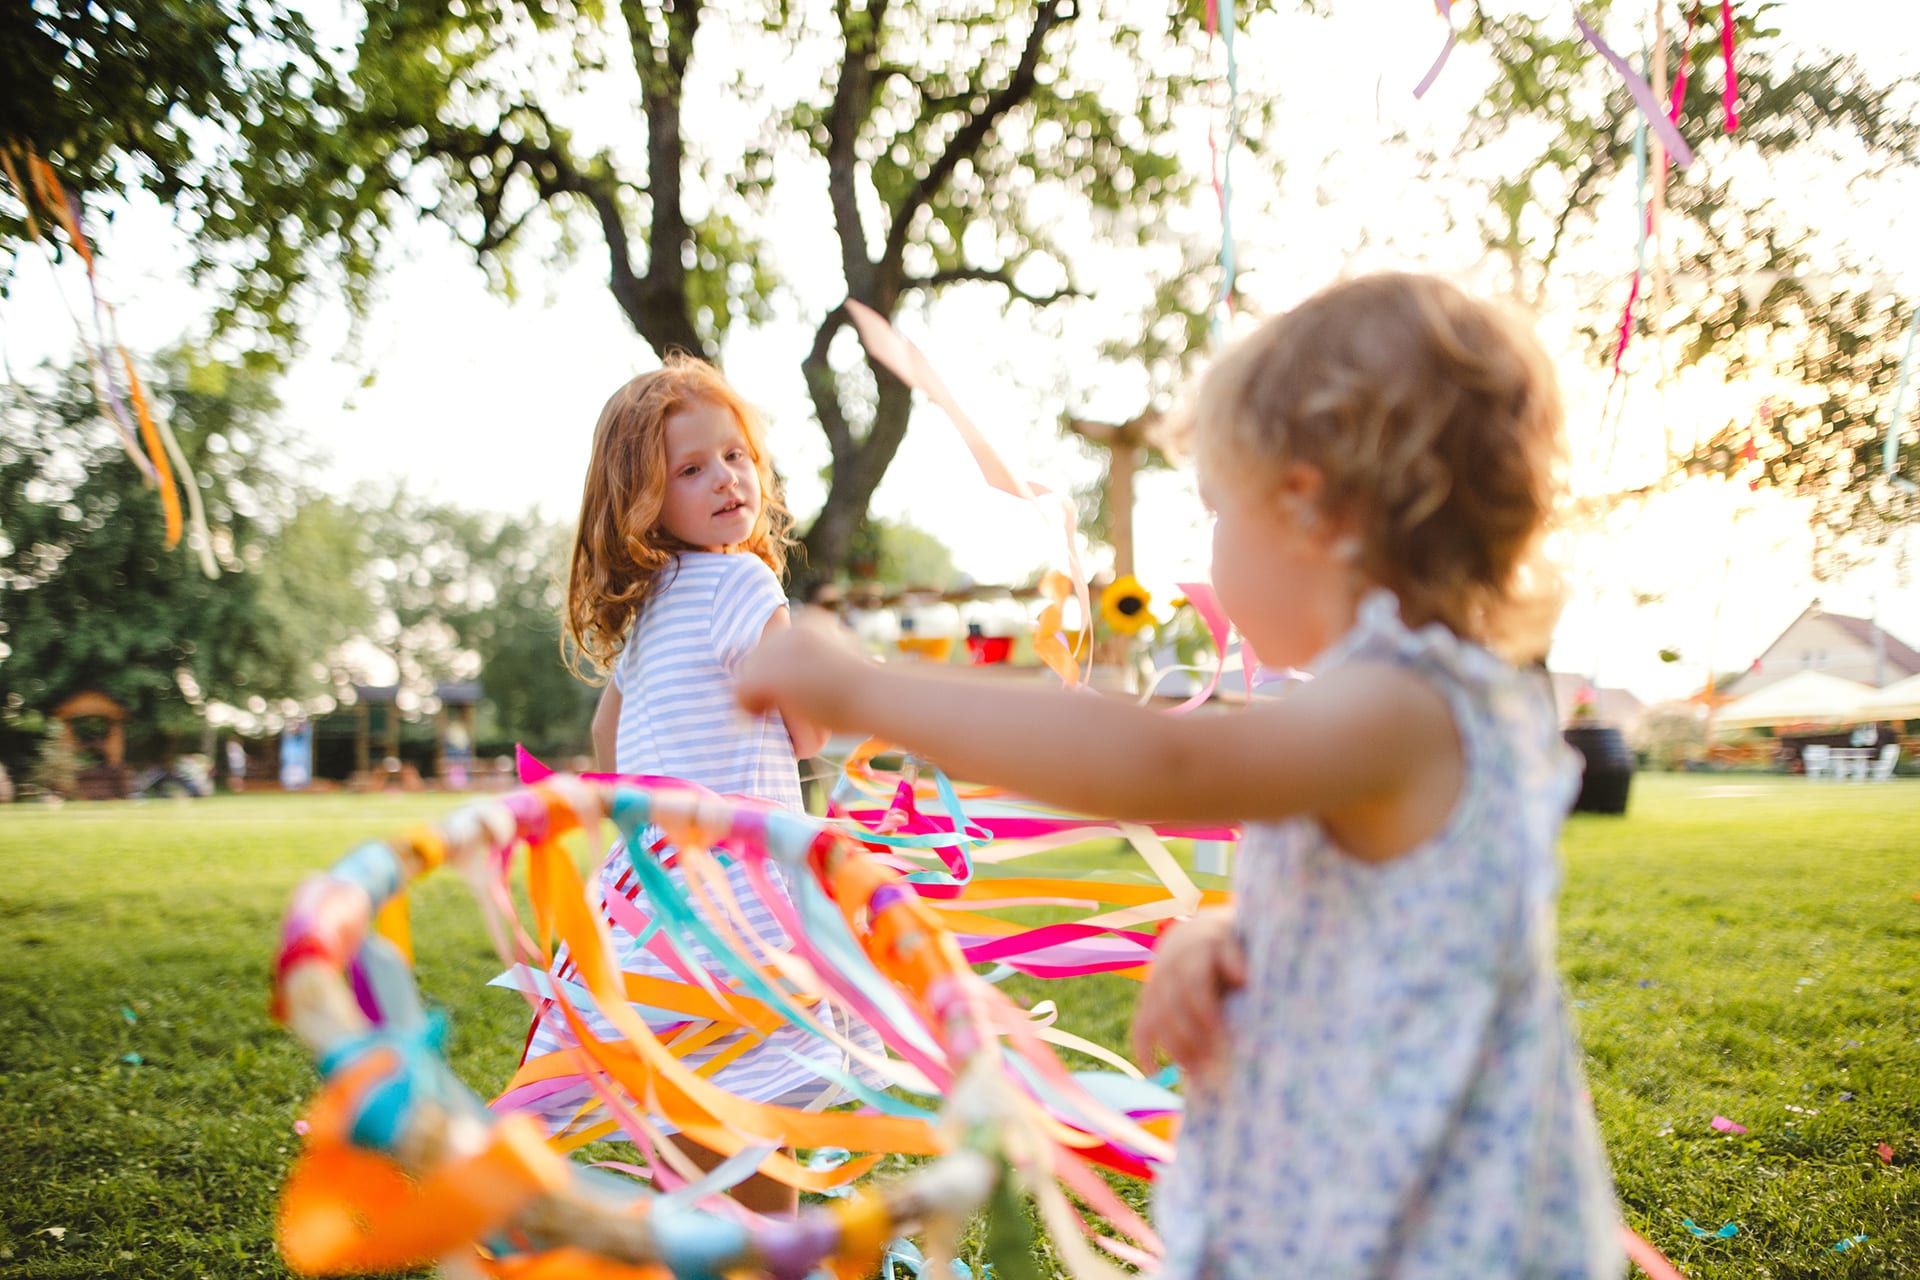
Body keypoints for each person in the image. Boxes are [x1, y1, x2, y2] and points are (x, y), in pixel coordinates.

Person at [738, 273, 1623, 1276]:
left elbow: (1168, 758)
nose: (1206, 550)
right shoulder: (1408, 703)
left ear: (1309, 507)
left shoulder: (1408, 704)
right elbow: (1395, 916)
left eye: (1214, 509)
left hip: (1413, 1225)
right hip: (1346, 1182)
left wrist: (864, 693)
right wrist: (1223, 937)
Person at [519, 353, 880, 1214]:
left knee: (684, 1139)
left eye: (737, 456)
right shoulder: (744, 581)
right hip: (739, 908)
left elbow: (607, 738)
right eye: (691, 469)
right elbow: (809, 730)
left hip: (653, 910)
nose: (727, 479)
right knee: (754, 1132)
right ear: (643, 500)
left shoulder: (647, 610)